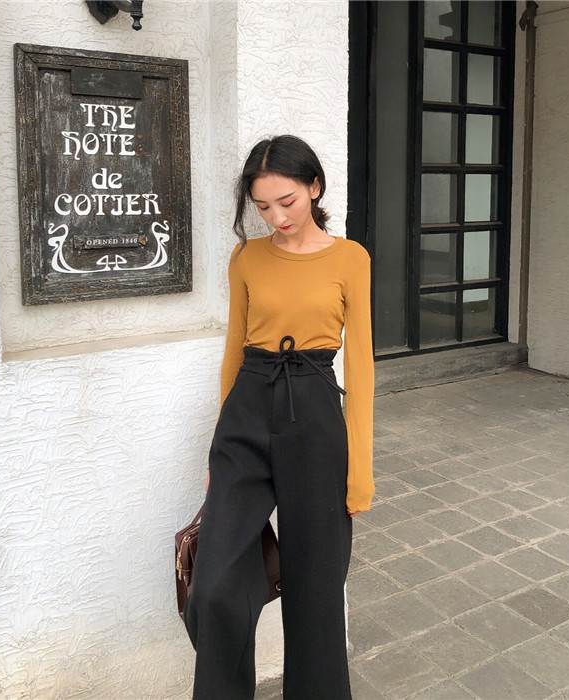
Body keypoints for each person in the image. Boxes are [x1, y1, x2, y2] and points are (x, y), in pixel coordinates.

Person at [183, 135, 374, 700]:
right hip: (248, 407)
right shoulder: (247, 258)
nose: (276, 217)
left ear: (314, 187)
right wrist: (219, 451)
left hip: (314, 411)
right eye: (263, 206)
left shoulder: (351, 258)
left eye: (286, 201)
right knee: (214, 587)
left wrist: (360, 471)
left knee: (316, 593)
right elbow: (233, 353)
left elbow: (361, 367)